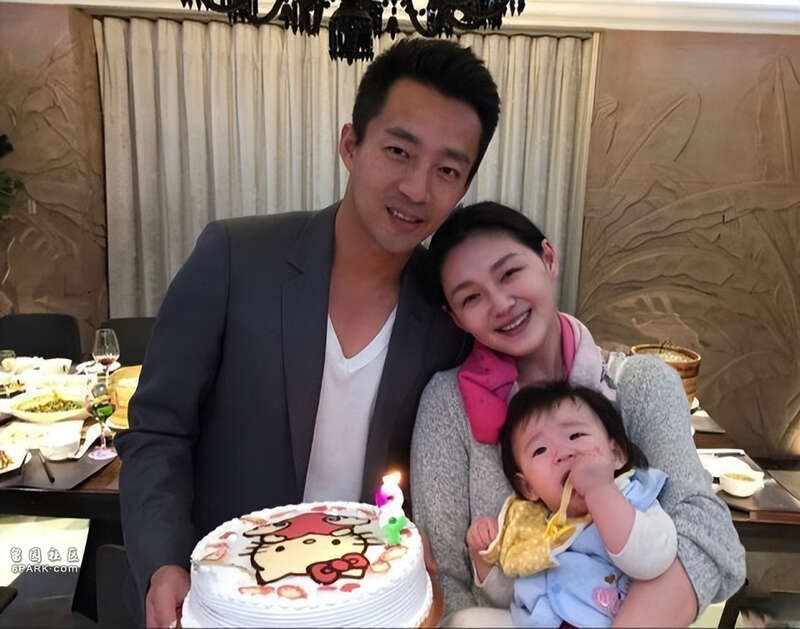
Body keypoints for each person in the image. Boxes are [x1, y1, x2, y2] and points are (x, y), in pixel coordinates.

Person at [115, 39, 500, 628]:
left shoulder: (448, 311)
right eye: (398, 151)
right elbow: (158, 429)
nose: (417, 189)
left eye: (447, 170)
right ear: (350, 144)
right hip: (228, 602)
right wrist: (163, 562)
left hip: (365, 604)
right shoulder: (235, 258)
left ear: (464, 186)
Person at [410, 201, 745, 625]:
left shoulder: (639, 385)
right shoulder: (448, 405)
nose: (501, 303)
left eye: (509, 273)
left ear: (548, 258)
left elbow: (707, 536)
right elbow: (444, 579)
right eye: (471, 297)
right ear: (455, 317)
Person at [461, 382, 678, 627]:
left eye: (576, 435)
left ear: (616, 454)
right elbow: (515, 598)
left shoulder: (631, 497)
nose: (563, 453)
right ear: (528, 487)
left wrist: (601, 491)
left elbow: (653, 561)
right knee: (464, 621)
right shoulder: (535, 528)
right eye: (540, 449)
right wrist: (484, 560)